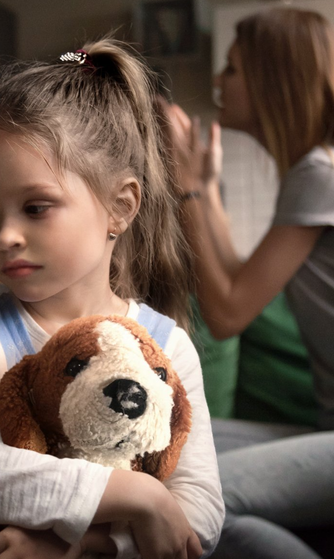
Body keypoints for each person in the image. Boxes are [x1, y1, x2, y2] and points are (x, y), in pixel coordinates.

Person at [0, 40, 224, 559]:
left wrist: (87, 545)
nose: (5, 237)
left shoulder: (168, 346)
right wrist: (139, 494)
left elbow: (197, 510)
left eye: (36, 207)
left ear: (120, 207)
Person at [165, 7, 334, 559]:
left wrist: (187, 190)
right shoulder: (312, 172)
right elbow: (242, 276)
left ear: (271, 80)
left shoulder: (317, 175)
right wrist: (206, 189)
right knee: (173, 447)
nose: (218, 81)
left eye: (232, 70)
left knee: (201, 499)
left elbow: (227, 313)